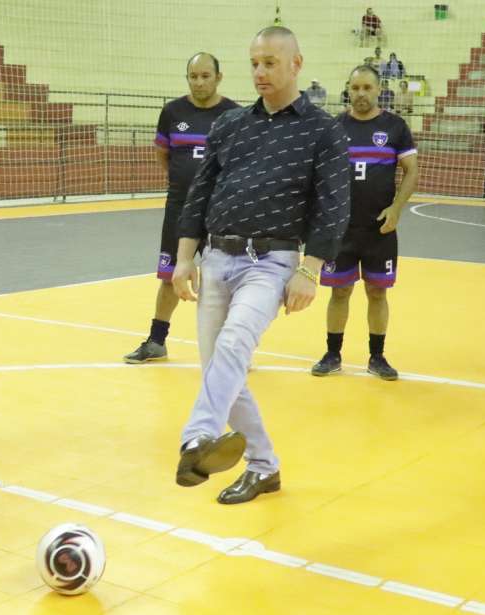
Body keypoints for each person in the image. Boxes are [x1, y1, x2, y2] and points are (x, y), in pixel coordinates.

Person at [172, 26, 350, 505]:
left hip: (271, 263)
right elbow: (200, 193)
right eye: (254, 63)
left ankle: (197, 437)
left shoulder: (323, 131)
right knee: (220, 370)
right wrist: (185, 258)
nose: (260, 72)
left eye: (270, 62)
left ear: (296, 64)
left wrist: (310, 270)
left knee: (232, 345)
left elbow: (332, 207)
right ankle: (264, 467)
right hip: (215, 257)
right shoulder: (230, 125)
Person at [123, 53, 239, 364]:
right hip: (179, 208)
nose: (199, 82)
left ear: (218, 77)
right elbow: (163, 154)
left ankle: (231, 347)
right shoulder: (172, 112)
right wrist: (183, 182)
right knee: (169, 274)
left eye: (205, 76)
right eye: (193, 76)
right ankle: (157, 341)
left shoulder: (234, 115)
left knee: (226, 278)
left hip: (220, 211)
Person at [312, 65, 418, 381]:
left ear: (377, 90)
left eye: (367, 88)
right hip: (341, 230)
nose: (361, 93)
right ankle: (332, 354)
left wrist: (397, 209)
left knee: (377, 292)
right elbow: (320, 176)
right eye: (355, 88)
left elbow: (411, 170)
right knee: (340, 292)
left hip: (379, 230)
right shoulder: (333, 127)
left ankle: (377, 356)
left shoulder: (395, 127)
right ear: (349, 89)